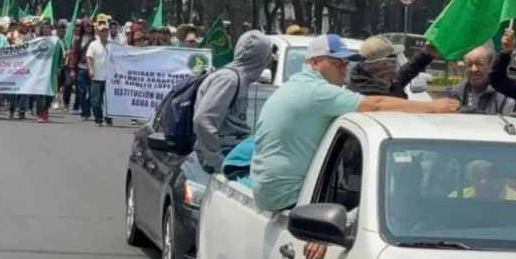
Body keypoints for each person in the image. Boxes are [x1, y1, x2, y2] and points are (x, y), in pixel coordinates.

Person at [251, 34, 460, 213]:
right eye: (336, 62)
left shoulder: (302, 84)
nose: (343, 68)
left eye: (345, 63)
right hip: (292, 197)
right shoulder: (321, 92)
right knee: (385, 211)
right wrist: (434, 107)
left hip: (274, 191)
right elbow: (377, 103)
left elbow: (398, 81)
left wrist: (425, 55)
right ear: (314, 62)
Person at [194, 31, 273, 171]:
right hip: (226, 153)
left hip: (233, 149)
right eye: (267, 59)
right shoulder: (229, 79)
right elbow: (203, 120)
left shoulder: (239, 79)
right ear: (260, 60)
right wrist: (218, 162)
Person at [346, 37, 435, 98]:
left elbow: (406, 72)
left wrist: (426, 54)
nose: (395, 61)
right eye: (392, 57)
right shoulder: (366, 94)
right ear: (382, 63)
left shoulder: (382, 80)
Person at [442, 44, 516, 114]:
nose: (473, 69)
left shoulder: (504, 100)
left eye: (479, 64)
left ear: (491, 65)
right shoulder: (452, 94)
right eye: (469, 64)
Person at [86, 23, 113, 126]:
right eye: (102, 31)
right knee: (96, 101)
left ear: (108, 32)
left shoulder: (112, 45)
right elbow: (89, 58)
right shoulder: (93, 44)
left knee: (108, 102)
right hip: (96, 77)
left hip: (109, 78)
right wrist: (90, 70)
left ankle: (108, 119)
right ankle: (98, 119)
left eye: (106, 31)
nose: (104, 33)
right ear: (98, 32)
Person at [73, 20, 95, 121]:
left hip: (92, 68)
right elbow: (74, 55)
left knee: (91, 91)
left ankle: (87, 110)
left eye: (90, 26)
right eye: (86, 26)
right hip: (81, 67)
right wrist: (72, 69)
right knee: (81, 91)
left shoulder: (95, 40)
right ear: (83, 27)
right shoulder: (78, 39)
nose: (88, 28)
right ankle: (83, 111)